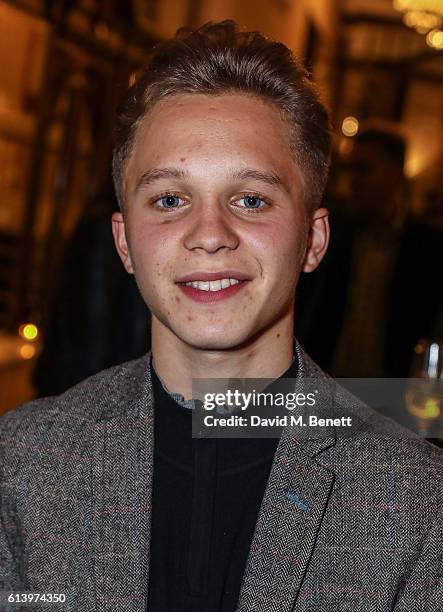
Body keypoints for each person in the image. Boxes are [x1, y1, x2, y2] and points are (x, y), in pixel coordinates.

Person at [1, 20, 441, 612]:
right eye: (170, 200)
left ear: (313, 240)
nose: (209, 235)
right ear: (125, 241)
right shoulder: (24, 463)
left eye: (251, 200)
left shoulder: (416, 501)